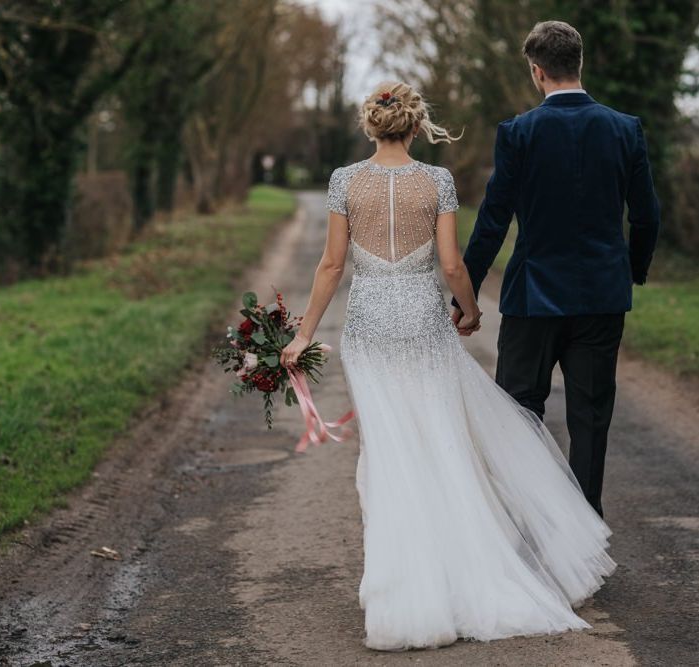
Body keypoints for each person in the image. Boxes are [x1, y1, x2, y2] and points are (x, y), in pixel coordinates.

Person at [280, 77, 616, 651]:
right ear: (414, 126)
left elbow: (331, 268)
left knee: (389, 454)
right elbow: (453, 264)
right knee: (441, 443)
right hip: (420, 321)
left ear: (370, 125)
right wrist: (468, 309)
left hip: (370, 330)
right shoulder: (436, 181)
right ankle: (459, 576)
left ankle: (403, 597)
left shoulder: (343, 183)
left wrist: (302, 334)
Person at [451, 21, 660, 518]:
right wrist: (630, 270)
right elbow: (647, 214)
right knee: (590, 417)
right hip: (601, 297)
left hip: (533, 297)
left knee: (520, 412)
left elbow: (492, 223)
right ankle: (587, 527)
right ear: (579, 64)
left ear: (536, 71)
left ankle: (532, 523)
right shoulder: (624, 129)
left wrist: (467, 295)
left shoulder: (519, 133)